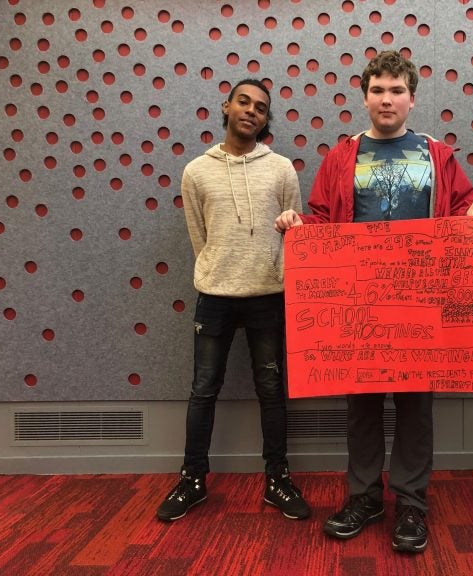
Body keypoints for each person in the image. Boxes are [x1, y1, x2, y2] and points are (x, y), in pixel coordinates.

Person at [275, 51, 473, 553]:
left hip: (421, 300)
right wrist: (297, 227)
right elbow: (323, 221)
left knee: (417, 408)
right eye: (378, 90)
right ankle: (365, 497)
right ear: (365, 96)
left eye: (396, 90)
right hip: (360, 304)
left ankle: (412, 505)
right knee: (362, 408)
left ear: (412, 98)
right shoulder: (341, 157)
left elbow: (464, 210)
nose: (387, 99)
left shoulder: (437, 154)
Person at [156, 78, 310, 523]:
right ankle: (193, 479)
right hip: (215, 295)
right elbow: (198, 237)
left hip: (268, 294)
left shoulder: (281, 168)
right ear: (226, 107)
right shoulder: (196, 172)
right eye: (243, 102)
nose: (251, 111)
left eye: (261, 108)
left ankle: (277, 479)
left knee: (271, 389)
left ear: (266, 120)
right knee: (203, 389)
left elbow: (293, 232)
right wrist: (220, 267)